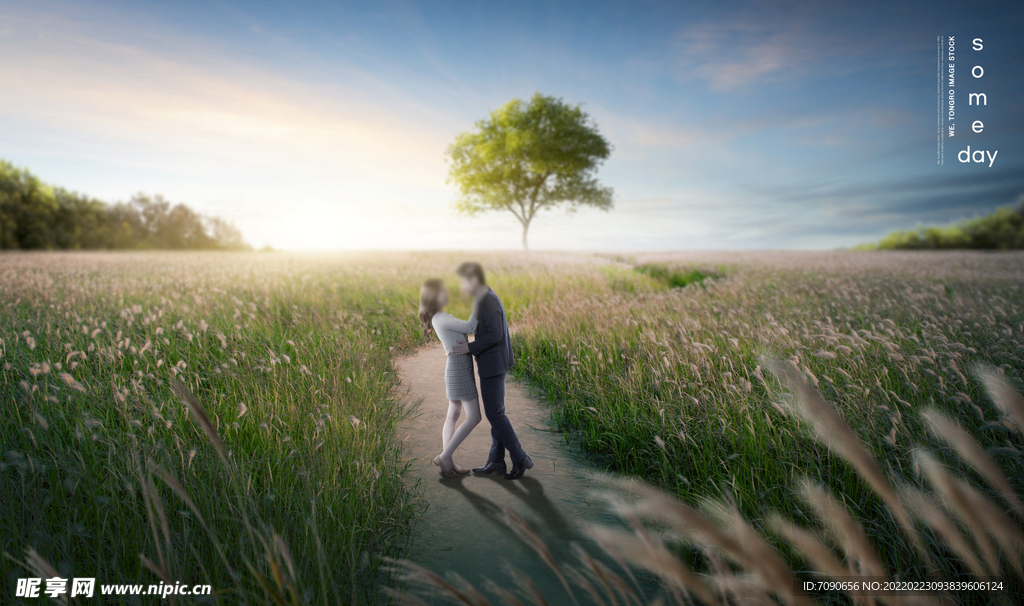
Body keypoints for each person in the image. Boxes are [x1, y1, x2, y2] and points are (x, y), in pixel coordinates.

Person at [451, 262, 533, 480]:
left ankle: (520, 458)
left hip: (493, 364)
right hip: (493, 363)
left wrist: (469, 347)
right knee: (497, 412)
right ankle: (496, 461)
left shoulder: (488, 299)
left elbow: (495, 335)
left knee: (495, 413)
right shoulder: (485, 297)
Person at [418, 278, 481, 478]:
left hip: (455, 367)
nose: (447, 294)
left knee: (453, 414)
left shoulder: (438, 317)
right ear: (435, 296)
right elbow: (471, 326)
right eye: (443, 291)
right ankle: (445, 456)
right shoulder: (442, 317)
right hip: (459, 368)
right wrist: (479, 301)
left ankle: (449, 462)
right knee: (474, 417)